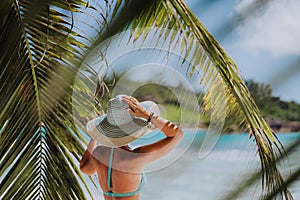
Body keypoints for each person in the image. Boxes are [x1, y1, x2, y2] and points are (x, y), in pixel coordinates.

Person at [80, 95, 183, 200]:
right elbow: (177, 135)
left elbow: (85, 168)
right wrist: (146, 115)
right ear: (132, 129)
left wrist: (96, 137)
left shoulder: (100, 153)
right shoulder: (134, 157)